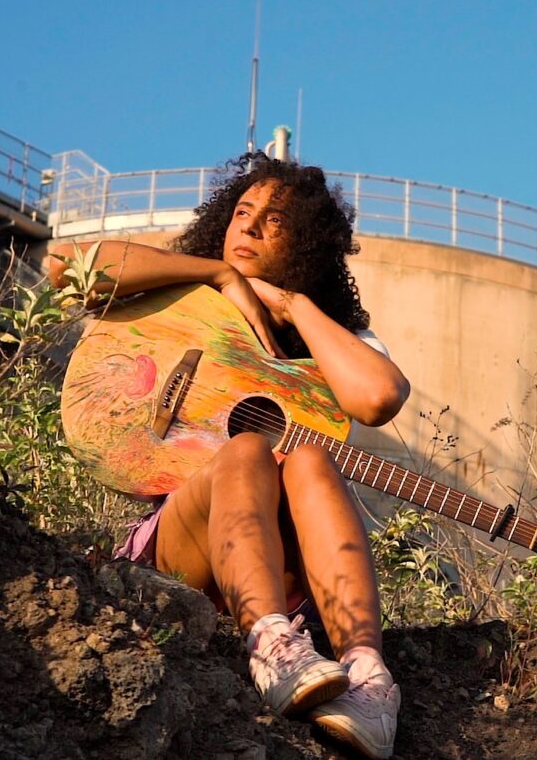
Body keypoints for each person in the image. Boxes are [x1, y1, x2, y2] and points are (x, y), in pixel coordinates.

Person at [49, 153, 409, 759]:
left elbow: (375, 397)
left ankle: (369, 680)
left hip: (294, 572)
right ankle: (270, 647)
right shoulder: (183, 292)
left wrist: (294, 306)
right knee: (247, 451)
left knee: (312, 459)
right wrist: (220, 276)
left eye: (275, 221)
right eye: (243, 212)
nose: (249, 226)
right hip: (181, 549)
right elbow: (70, 268)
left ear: (308, 246)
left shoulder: (332, 335)